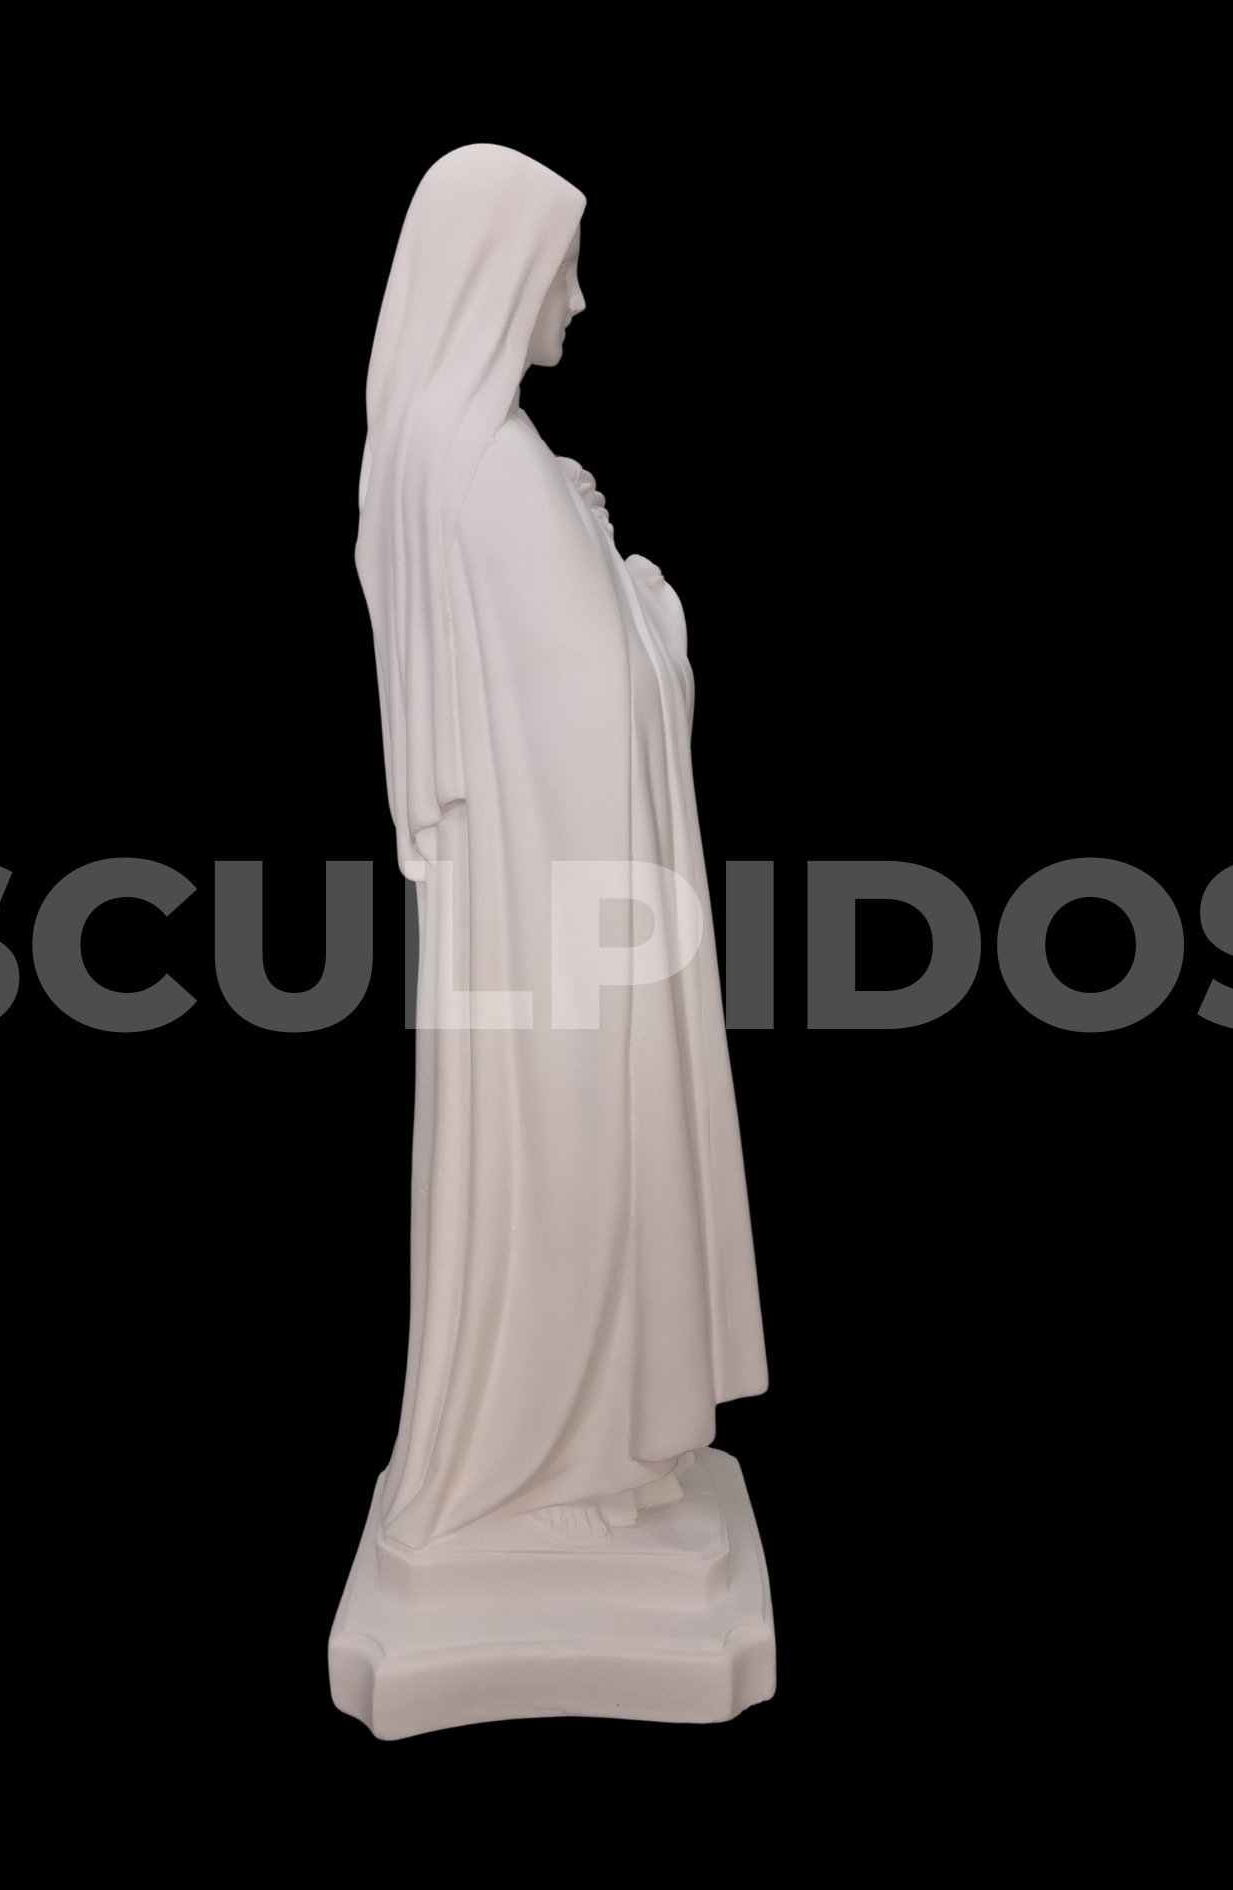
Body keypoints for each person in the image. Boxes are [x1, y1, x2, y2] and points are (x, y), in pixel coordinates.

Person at [354, 144, 766, 1552]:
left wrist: (586, 555)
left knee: (539, 1168)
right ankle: (561, 1460)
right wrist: (652, 602)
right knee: (580, 1153)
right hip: (564, 917)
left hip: (517, 906)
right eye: (564, 266)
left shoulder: (427, 448)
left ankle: (557, 1455)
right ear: (503, 270)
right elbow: (601, 701)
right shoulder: (493, 465)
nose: (578, 301)